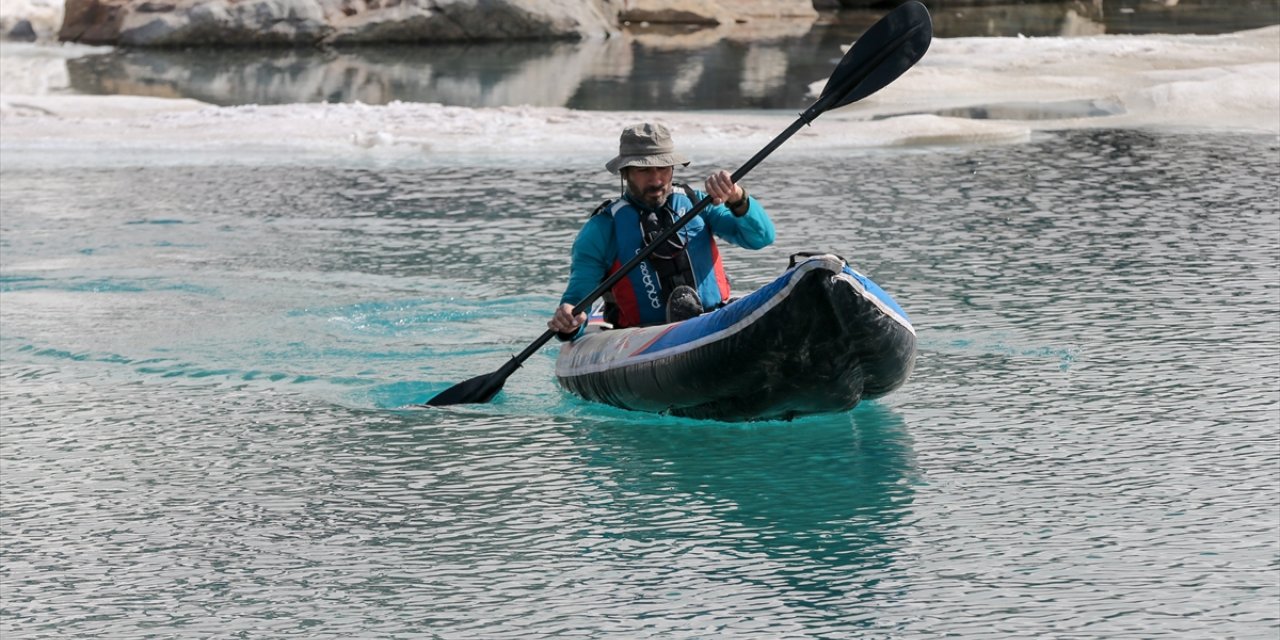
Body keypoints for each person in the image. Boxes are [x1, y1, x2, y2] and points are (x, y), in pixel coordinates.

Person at [548, 122, 776, 338]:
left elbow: (761, 238)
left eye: (663, 168)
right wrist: (570, 321)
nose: (657, 179)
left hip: (713, 321)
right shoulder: (601, 229)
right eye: (644, 170)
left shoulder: (700, 204)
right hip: (643, 339)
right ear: (624, 172)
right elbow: (577, 301)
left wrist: (737, 197)